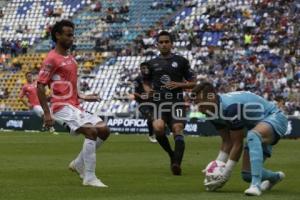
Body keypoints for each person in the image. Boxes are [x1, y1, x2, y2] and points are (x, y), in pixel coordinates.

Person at [36, 20, 110, 188]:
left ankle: (78, 163)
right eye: (68, 35)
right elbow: (40, 86)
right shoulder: (51, 59)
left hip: (75, 105)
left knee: (104, 130)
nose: (72, 38)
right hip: (61, 107)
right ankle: (89, 177)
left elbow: (68, 84)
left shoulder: (70, 58)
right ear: (58, 35)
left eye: (72, 34)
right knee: (91, 131)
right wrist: (47, 113)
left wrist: (83, 96)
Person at [192, 82, 290, 196]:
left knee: (253, 135)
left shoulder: (231, 107)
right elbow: (227, 141)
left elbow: (237, 144)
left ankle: (255, 186)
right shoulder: (210, 112)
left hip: (274, 117)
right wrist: (216, 166)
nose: (199, 108)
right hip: (256, 126)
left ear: (212, 97)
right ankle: (275, 177)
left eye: (200, 103)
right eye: (196, 103)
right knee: (247, 174)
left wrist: (226, 173)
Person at [143, 31, 196, 175]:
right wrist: (149, 91)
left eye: (167, 42)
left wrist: (179, 85)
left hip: (176, 102)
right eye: (161, 42)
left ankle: (176, 164)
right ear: (157, 45)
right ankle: (172, 155)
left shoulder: (182, 61)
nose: (164, 44)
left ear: (171, 44)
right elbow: (146, 83)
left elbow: (193, 83)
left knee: (178, 129)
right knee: (158, 128)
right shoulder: (151, 63)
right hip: (159, 103)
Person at [131, 62, 157, 143]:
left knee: (156, 118)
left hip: (153, 102)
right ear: (140, 69)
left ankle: (157, 134)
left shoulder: (153, 78)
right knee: (150, 117)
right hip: (142, 103)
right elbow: (134, 92)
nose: (145, 69)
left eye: (146, 68)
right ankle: (151, 135)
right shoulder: (137, 79)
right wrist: (141, 96)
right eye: (143, 68)